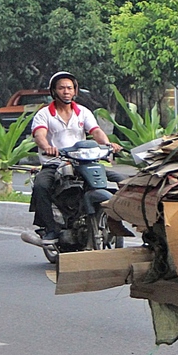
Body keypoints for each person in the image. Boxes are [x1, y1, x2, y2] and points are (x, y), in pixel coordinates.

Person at [28, 71, 123, 242]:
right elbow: (39, 135)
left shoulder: (83, 112)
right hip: (55, 163)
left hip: (83, 161)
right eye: (62, 88)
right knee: (41, 186)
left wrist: (107, 145)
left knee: (122, 179)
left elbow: (96, 131)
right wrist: (47, 147)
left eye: (69, 88)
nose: (66, 91)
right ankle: (50, 229)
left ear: (75, 91)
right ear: (54, 91)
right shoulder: (44, 114)